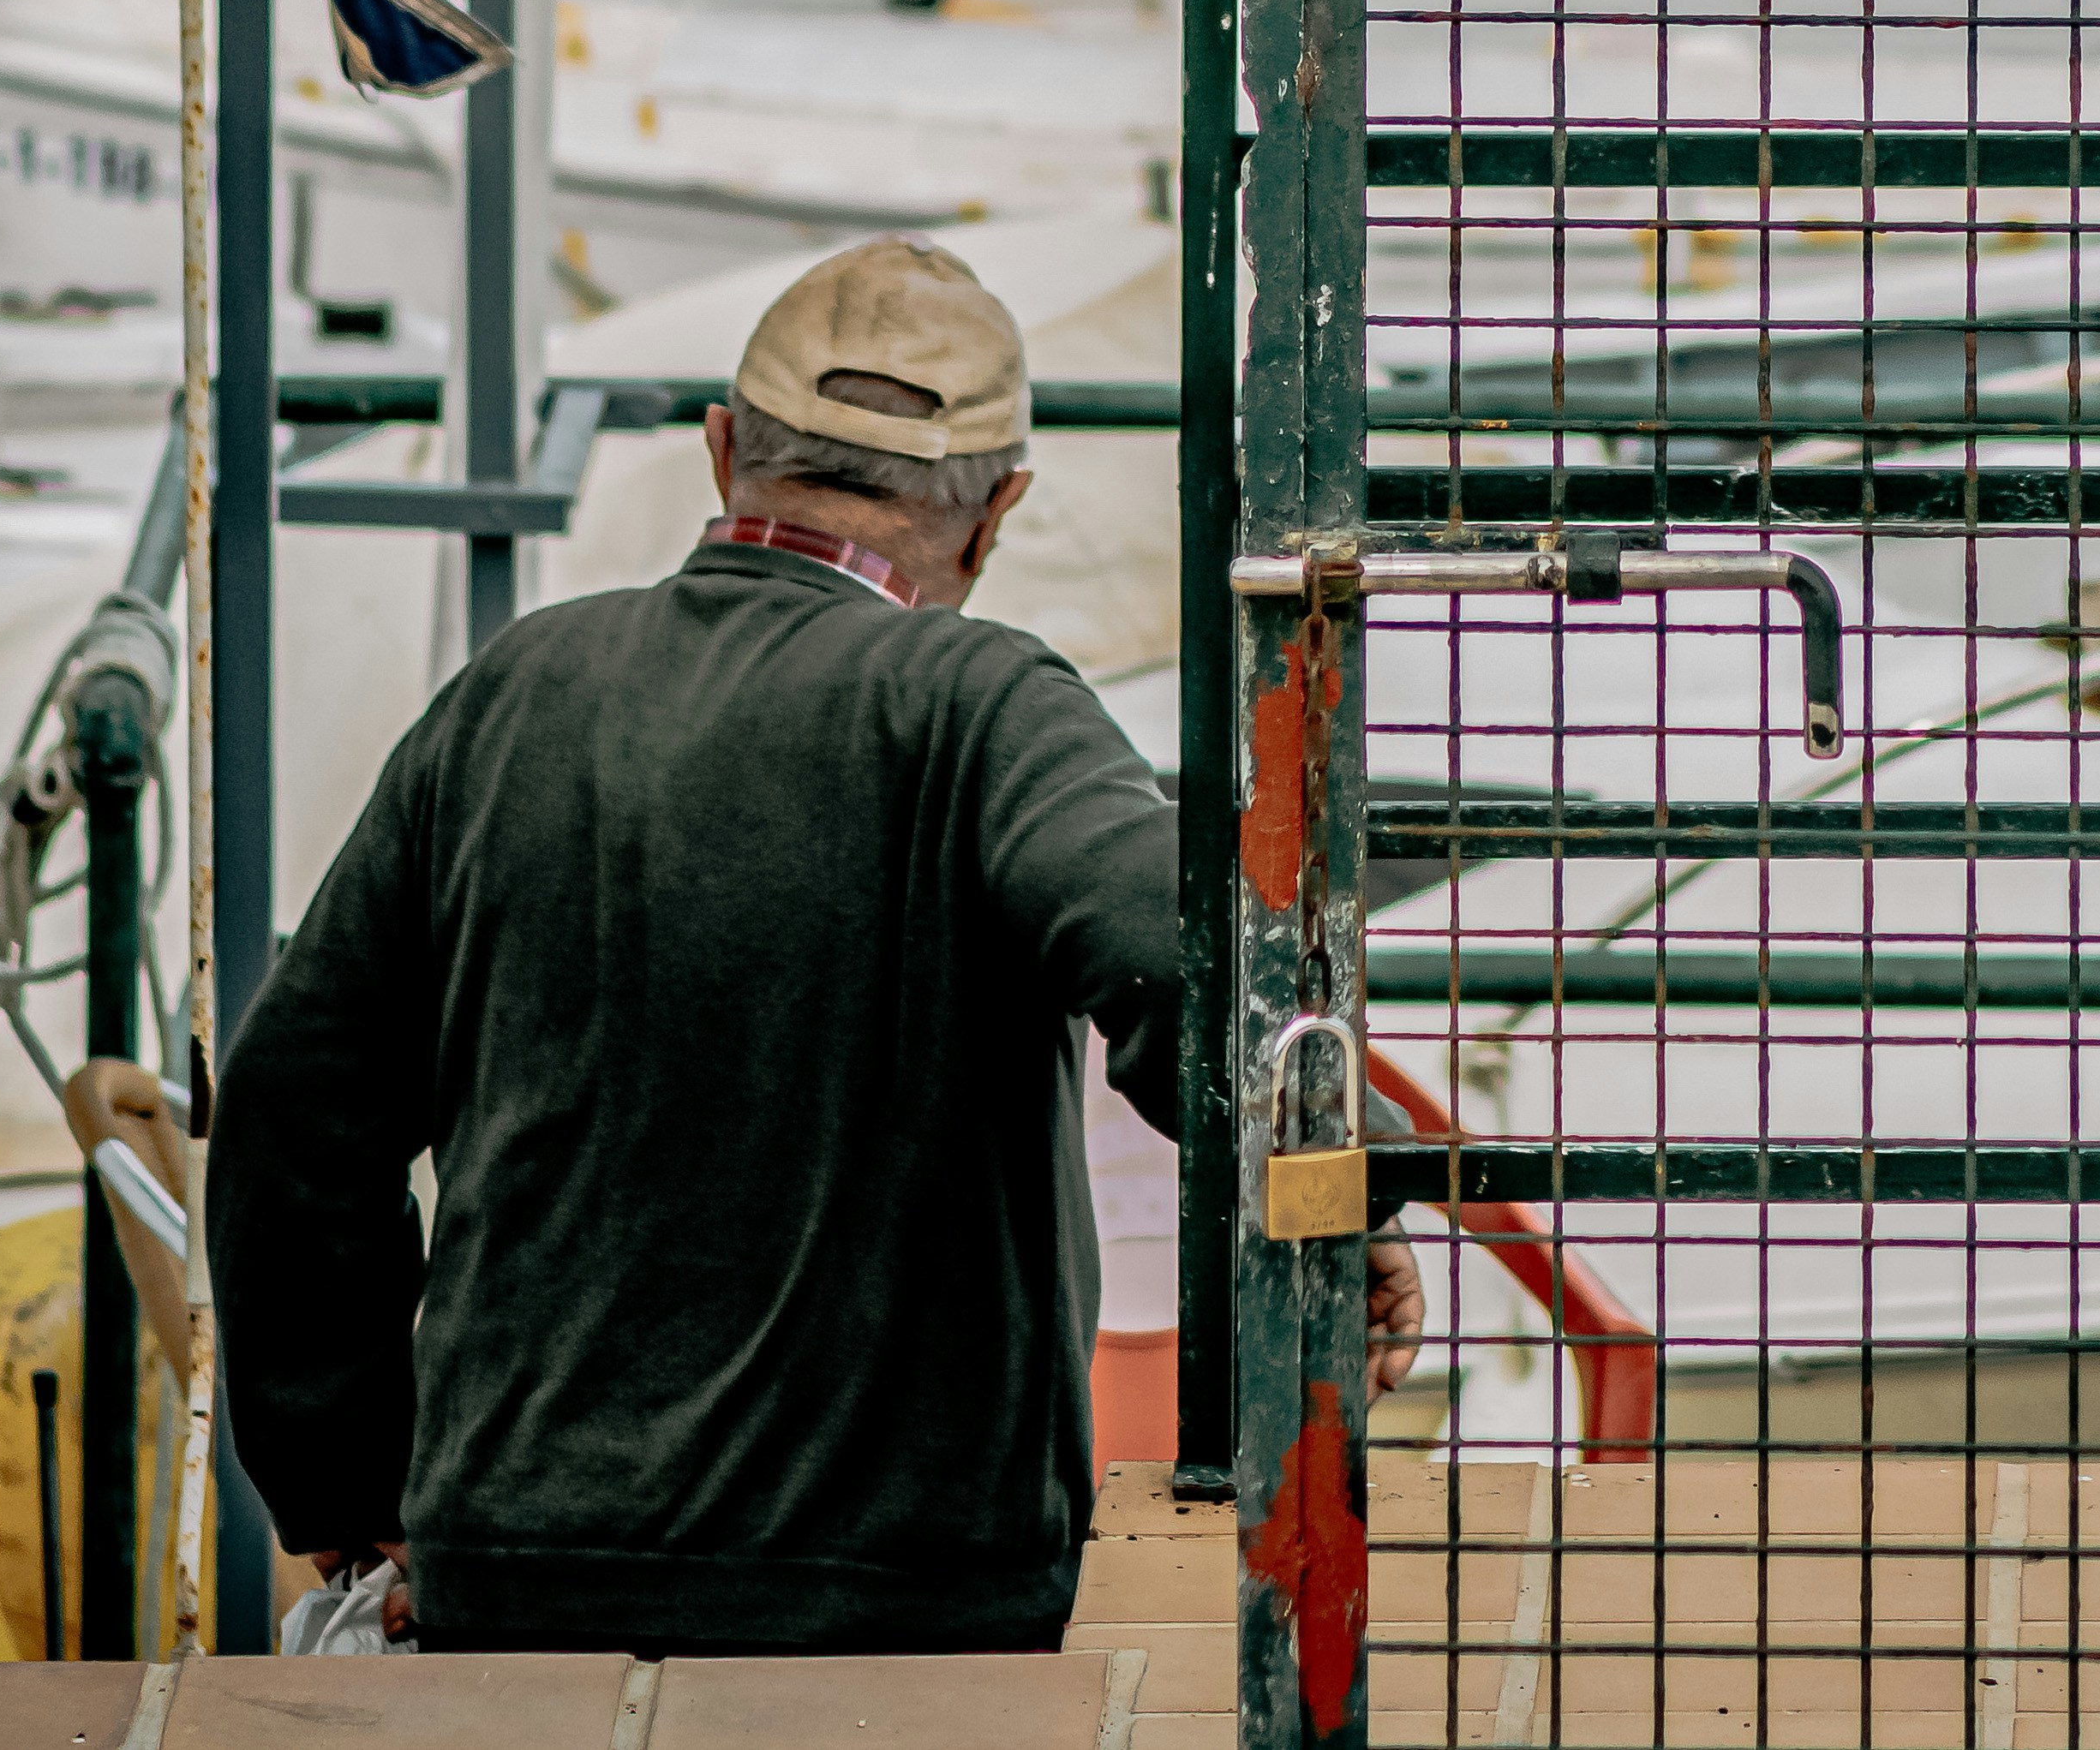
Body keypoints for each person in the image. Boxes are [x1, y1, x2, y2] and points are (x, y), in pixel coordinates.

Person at [208, 236, 1421, 1657]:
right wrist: (1359, 1184)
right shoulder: (979, 705)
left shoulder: (513, 693)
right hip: (902, 1598)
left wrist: (354, 1489)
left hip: (520, 1573)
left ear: (725, 452)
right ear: (996, 512)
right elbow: (1186, 965)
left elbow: (295, 1115)